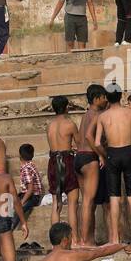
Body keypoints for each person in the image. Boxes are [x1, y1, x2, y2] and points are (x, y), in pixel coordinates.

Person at [90, 86, 131, 246]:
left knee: (114, 198)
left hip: (112, 154)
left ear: (107, 98)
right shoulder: (130, 113)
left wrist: (105, 153)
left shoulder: (103, 116)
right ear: (121, 96)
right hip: (129, 153)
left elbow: (96, 142)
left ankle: (115, 238)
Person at [75, 84, 110, 246]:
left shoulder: (85, 115)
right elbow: (90, 138)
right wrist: (103, 155)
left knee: (86, 202)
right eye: (103, 97)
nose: (105, 99)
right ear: (96, 99)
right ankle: (84, 241)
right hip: (90, 158)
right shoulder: (97, 115)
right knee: (89, 202)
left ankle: (89, 239)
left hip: (79, 158)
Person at [45, 95, 81, 245]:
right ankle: (75, 240)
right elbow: (79, 143)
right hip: (67, 161)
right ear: (66, 107)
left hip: (53, 161)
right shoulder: (70, 124)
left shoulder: (49, 125)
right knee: (72, 204)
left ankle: (55, 242)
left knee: (56, 204)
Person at [16, 144, 45, 216]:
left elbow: (30, 189)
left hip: (33, 197)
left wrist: (22, 202)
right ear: (32, 155)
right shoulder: (31, 165)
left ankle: (12, 225)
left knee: (18, 210)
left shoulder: (26, 168)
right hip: (32, 195)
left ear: (20, 156)